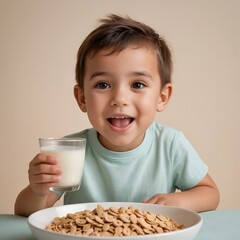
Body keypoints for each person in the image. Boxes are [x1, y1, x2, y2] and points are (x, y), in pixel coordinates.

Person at [15, 14, 220, 217]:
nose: (120, 98)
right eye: (103, 85)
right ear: (82, 98)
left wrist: (178, 200)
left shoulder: (170, 144)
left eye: (137, 84)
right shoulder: (71, 150)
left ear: (162, 97)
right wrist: (37, 191)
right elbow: (25, 211)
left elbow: (210, 193)